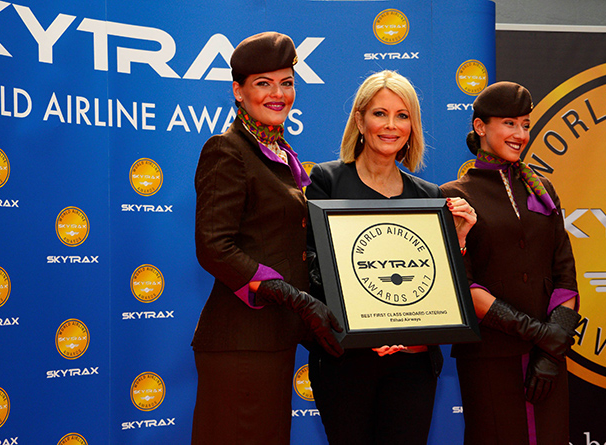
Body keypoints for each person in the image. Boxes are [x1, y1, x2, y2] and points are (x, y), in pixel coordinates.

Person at [305, 70, 477, 445]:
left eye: (402, 116)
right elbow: (313, 266)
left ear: (412, 127)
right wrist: (366, 326)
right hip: (346, 361)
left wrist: (459, 239)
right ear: (360, 120)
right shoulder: (327, 181)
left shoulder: (428, 196)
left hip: (413, 364)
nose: (390, 125)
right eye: (379, 113)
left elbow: (439, 284)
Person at [191, 31, 343, 445]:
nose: (278, 94)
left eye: (286, 83)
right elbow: (214, 247)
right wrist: (294, 298)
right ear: (238, 91)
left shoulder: (278, 152)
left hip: (272, 338)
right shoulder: (227, 149)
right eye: (263, 83)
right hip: (241, 342)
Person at [439, 81, 581, 444]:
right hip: (489, 358)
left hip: (548, 359)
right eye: (509, 123)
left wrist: (551, 349)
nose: (520, 134)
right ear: (480, 126)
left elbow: (565, 273)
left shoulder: (542, 189)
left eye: (525, 125)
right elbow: (463, 285)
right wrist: (540, 335)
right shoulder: (454, 196)